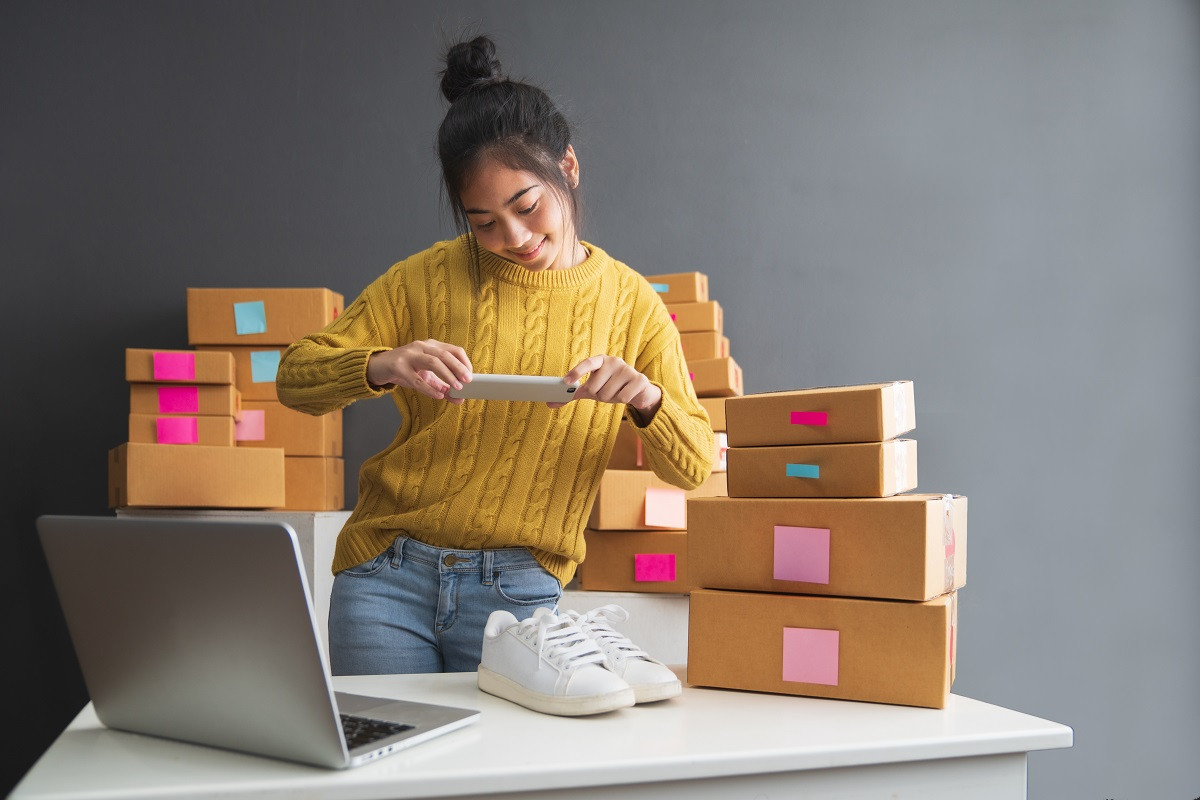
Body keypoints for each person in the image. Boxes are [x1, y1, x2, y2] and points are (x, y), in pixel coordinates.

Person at [276, 34, 714, 676]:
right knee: (389, 769)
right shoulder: (424, 278)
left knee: (497, 777)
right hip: (386, 574)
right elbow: (294, 378)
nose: (512, 238)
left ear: (567, 167)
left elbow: (695, 465)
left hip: (520, 593)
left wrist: (645, 399)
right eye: (482, 222)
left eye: (526, 206)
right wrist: (383, 363)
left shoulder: (631, 305)